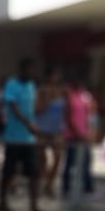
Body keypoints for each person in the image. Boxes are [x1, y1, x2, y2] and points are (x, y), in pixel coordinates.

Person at [0, 57, 41, 211]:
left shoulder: (31, 86)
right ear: (22, 70)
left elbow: (32, 107)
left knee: (34, 172)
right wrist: (27, 124)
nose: (31, 73)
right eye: (29, 69)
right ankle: (2, 201)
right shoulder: (12, 84)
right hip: (13, 136)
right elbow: (13, 106)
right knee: (9, 171)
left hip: (29, 139)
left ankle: (34, 205)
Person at [61, 74, 97, 197]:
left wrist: (88, 131)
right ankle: (66, 187)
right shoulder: (69, 96)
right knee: (70, 161)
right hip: (72, 134)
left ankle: (87, 186)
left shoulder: (84, 96)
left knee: (86, 160)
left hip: (83, 133)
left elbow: (90, 113)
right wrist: (76, 132)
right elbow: (68, 116)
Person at [35, 67, 66, 198]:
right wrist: (46, 101)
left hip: (56, 129)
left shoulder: (62, 91)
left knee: (58, 156)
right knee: (43, 158)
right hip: (42, 128)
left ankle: (50, 183)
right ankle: (43, 181)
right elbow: (37, 109)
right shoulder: (41, 90)